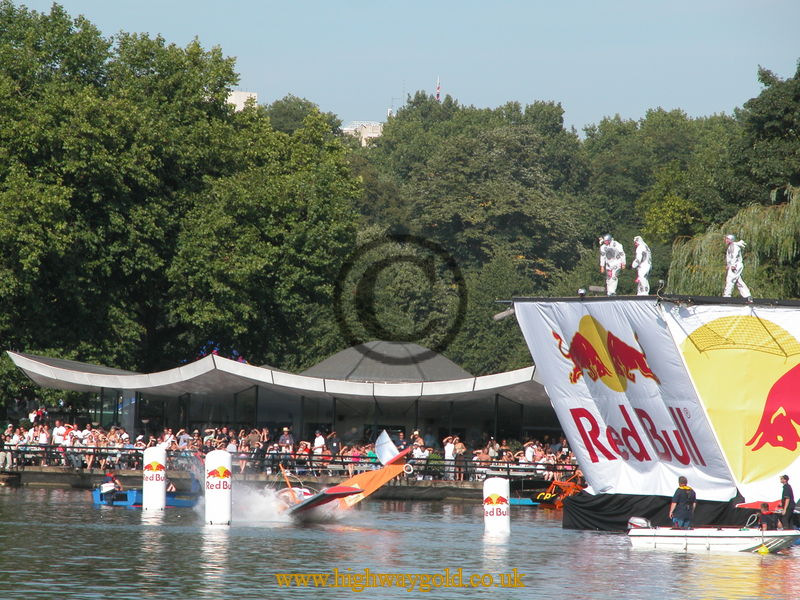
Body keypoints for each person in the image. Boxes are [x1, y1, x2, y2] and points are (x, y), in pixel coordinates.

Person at [723, 234, 752, 301]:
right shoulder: (731, 246)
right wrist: (728, 264)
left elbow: (734, 256)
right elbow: (729, 257)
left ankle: (727, 296)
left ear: (731, 239)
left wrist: (732, 265)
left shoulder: (734, 246)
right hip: (735, 265)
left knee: (730, 279)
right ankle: (747, 295)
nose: (726, 240)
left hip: (736, 265)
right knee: (738, 281)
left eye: (727, 239)